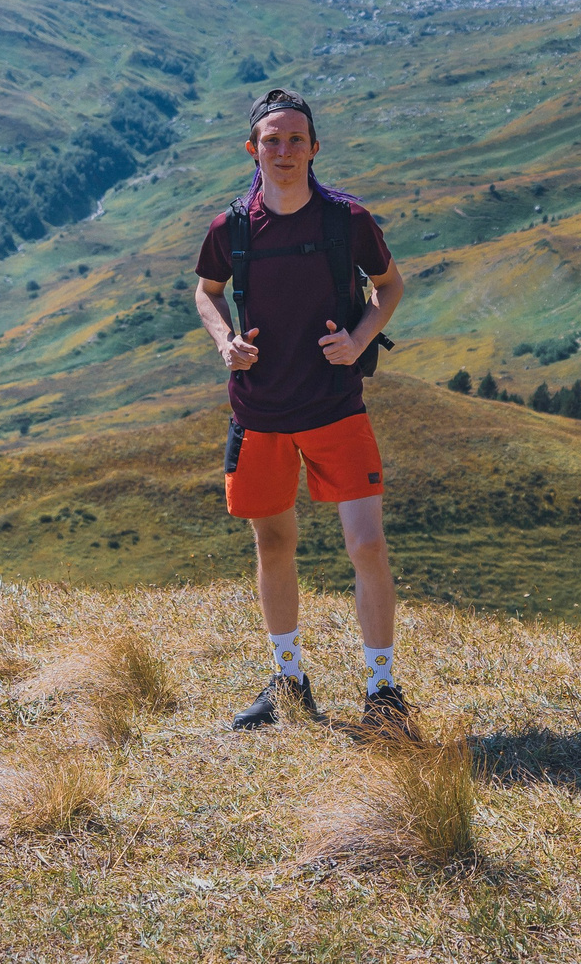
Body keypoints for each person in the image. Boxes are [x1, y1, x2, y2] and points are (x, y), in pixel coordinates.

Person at [194, 89, 411, 736]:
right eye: (271, 139)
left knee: (367, 544)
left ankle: (383, 691)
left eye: (295, 139)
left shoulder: (347, 220)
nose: (283, 150)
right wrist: (223, 339)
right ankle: (289, 681)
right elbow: (206, 292)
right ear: (252, 148)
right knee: (274, 542)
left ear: (315, 147)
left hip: (335, 405)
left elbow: (390, 284)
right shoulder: (230, 228)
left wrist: (360, 337)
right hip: (259, 410)